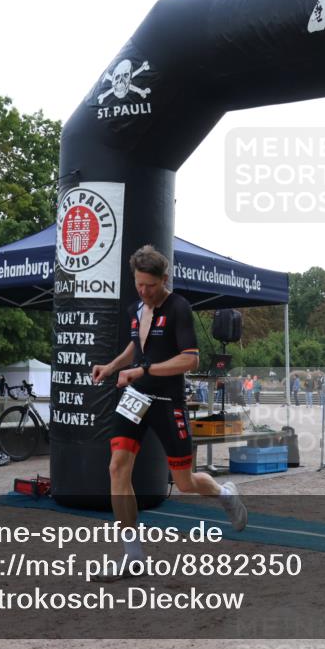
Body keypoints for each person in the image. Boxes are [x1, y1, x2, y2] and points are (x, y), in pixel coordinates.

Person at [91, 245, 247, 579]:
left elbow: (191, 359)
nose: (143, 291)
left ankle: (224, 493)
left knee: (185, 482)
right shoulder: (136, 308)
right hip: (135, 398)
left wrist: (142, 371)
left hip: (167, 402)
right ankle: (132, 555)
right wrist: (112, 366)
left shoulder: (179, 308)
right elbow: (136, 345)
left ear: (164, 279)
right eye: (139, 284)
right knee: (117, 466)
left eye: (150, 285)